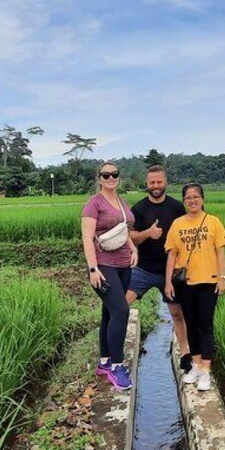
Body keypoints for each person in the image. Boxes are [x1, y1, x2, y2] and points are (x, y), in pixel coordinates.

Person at [125, 165, 192, 372]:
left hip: (170, 272)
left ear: (165, 183)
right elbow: (130, 236)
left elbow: (187, 232)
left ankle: (185, 352)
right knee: (120, 305)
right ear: (146, 184)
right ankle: (114, 353)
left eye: (159, 182)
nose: (156, 186)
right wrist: (147, 233)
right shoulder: (138, 209)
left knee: (177, 313)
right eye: (152, 182)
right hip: (143, 269)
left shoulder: (176, 208)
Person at [164, 183, 225, 392]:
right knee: (191, 324)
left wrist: (222, 278)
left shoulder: (213, 222)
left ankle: (206, 372)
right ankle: (196, 365)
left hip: (209, 282)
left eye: (196, 196)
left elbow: (220, 252)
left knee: (205, 325)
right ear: (184, 201)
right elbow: (172, 255)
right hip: (186, 283)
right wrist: (167, 282)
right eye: (188, 197)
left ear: (202, 198)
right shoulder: (177, 224)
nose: (192, 200)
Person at [81, 161, 138, 391]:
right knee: (121, 310)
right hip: (103, 265)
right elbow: (87, 237)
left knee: (109, 311)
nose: (111, 178)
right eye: (106, 175)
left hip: (124, 264)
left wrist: (133, 248)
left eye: (115, 174)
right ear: (99, 179)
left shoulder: (122, 203)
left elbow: (124, 231)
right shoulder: (94, 203)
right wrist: (93, 268)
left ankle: (104, 362)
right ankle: (116, 366)